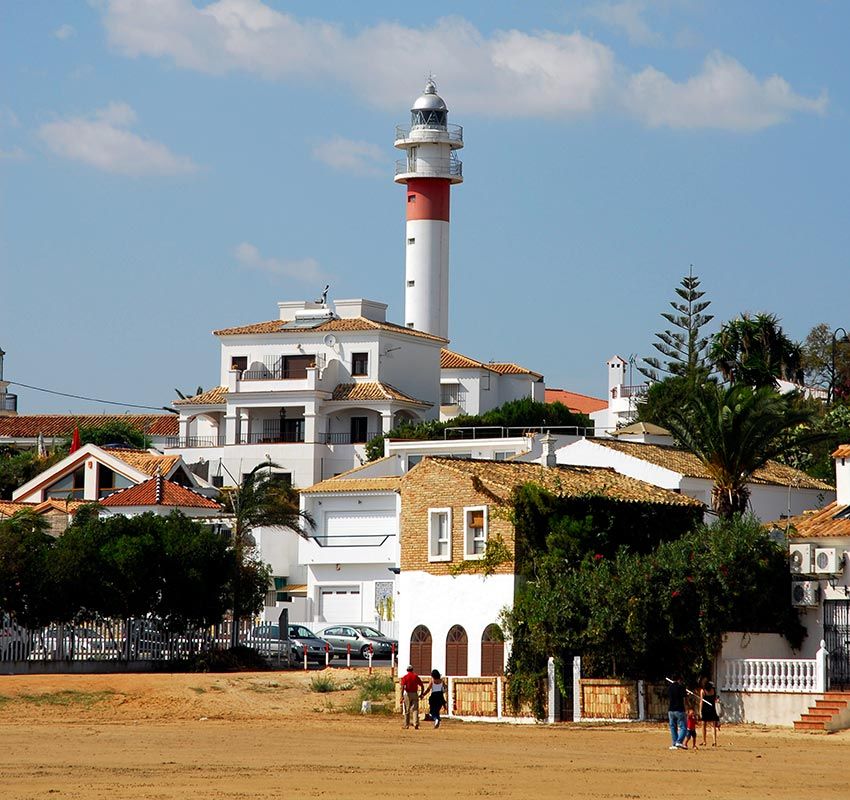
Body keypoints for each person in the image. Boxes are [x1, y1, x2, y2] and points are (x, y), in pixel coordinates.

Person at [400, 664, 424, 730]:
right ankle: (416, 724)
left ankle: (406, 725)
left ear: (407, 670)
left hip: (407, 694)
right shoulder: (416, 677)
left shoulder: (405, 677)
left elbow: (402, 687)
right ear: (412, 670)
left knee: (407, 710)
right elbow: (422, 685)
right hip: (415, 693)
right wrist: (421, 693)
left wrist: (401, 696)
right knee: (415, 709)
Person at [667, 675, 687, 750]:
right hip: (679, 709)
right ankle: (679, 741)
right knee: (683, 727)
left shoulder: (670, 687)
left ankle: (674, 743)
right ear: (679, 680)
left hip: (671, 710)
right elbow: (684, 697)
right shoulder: (681, 687)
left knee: (673, 727)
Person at [699, 678, 720, 746]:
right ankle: (714, 741)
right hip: (712, 709)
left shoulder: (703, 691)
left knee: (703, 725)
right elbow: (716, 699)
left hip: (705, 709)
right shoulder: (713, 690)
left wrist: (700, 711)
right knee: (713, 726)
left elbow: (701, 702)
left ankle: (704, 741)